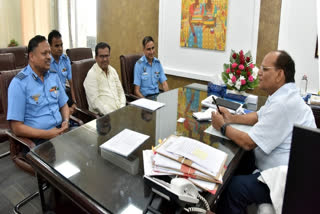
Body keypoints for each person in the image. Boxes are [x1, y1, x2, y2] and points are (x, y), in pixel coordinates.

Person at [211, 50, 316, 214]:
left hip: (284, 179)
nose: (259, 73)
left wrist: (223, 127)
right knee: (232, 167)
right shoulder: (283, 95)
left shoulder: (284, 104)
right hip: (278, 166)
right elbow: (258, 116)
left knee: (234, 188)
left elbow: (248, 142)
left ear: (279, 74)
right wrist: (231, 118)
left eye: (265, 69)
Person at [7, 35, 70, 147]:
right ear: (31, 56)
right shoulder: (19, 83)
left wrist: (66, 120)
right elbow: (16, 127)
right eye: (44, 53)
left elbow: (64, 105)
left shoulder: (53, 76)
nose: (49, 57)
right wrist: (47, 134)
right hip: (39, 140)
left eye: (49, 53)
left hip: (61, 131)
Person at [83, 42, 126, 115]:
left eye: (107, 56)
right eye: (101, 56)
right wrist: (113, 114)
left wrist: (122, 107)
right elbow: (95, 103)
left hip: (119, 112)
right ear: (96, 58)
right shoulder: (91, 75)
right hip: (103, 117)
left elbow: (121, 92)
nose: (105, 59)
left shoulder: (113, 71)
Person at [48, 30, 77, 115]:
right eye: (56, 46)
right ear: (49, 46)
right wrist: (64, 108)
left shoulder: (65, 59)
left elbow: (71, 82)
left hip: (65, 95)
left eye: (61, 45)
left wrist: (74, 102)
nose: (60, 48)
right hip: (53, 98)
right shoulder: (46, 62)